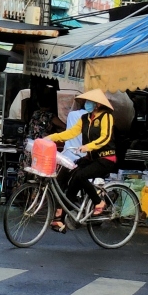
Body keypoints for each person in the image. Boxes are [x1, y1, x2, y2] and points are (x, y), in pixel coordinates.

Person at [48, 90, 117, 231]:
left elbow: (105, 137)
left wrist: (88, 146)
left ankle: (99, 202)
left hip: (106, 158)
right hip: (91, 158)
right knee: (70, 173)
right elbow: (71, 133)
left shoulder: (106, 117)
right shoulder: (85, 118)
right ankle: (61, 218)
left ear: (98, 104)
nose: (87, 104)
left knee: (81, 175)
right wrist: (51, 138)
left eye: (90, 101)